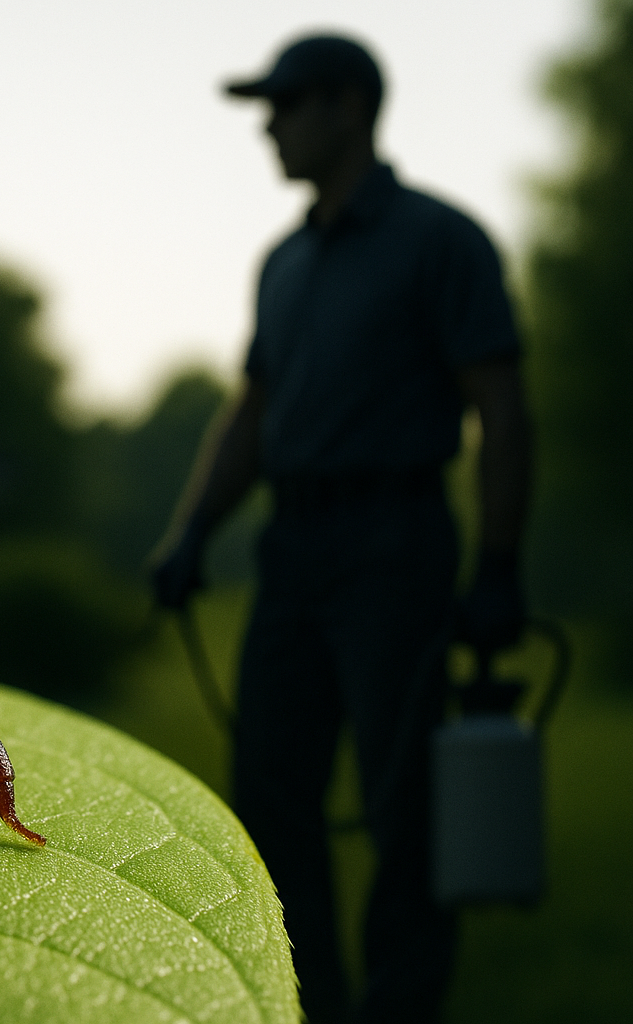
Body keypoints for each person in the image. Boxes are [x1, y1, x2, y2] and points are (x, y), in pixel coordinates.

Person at [150, 34, 533, 1024]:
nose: (269, 125)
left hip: (397, 549)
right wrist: (192, 531)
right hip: (294, 554)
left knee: (405, 807)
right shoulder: (283, 264)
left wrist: (497, 564)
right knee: (271, 799)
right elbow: (255, 414)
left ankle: (401, 1009)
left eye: (286, 104)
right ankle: (312, 1000)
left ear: (350, 108)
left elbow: (501, 405)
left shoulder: (442, 242)